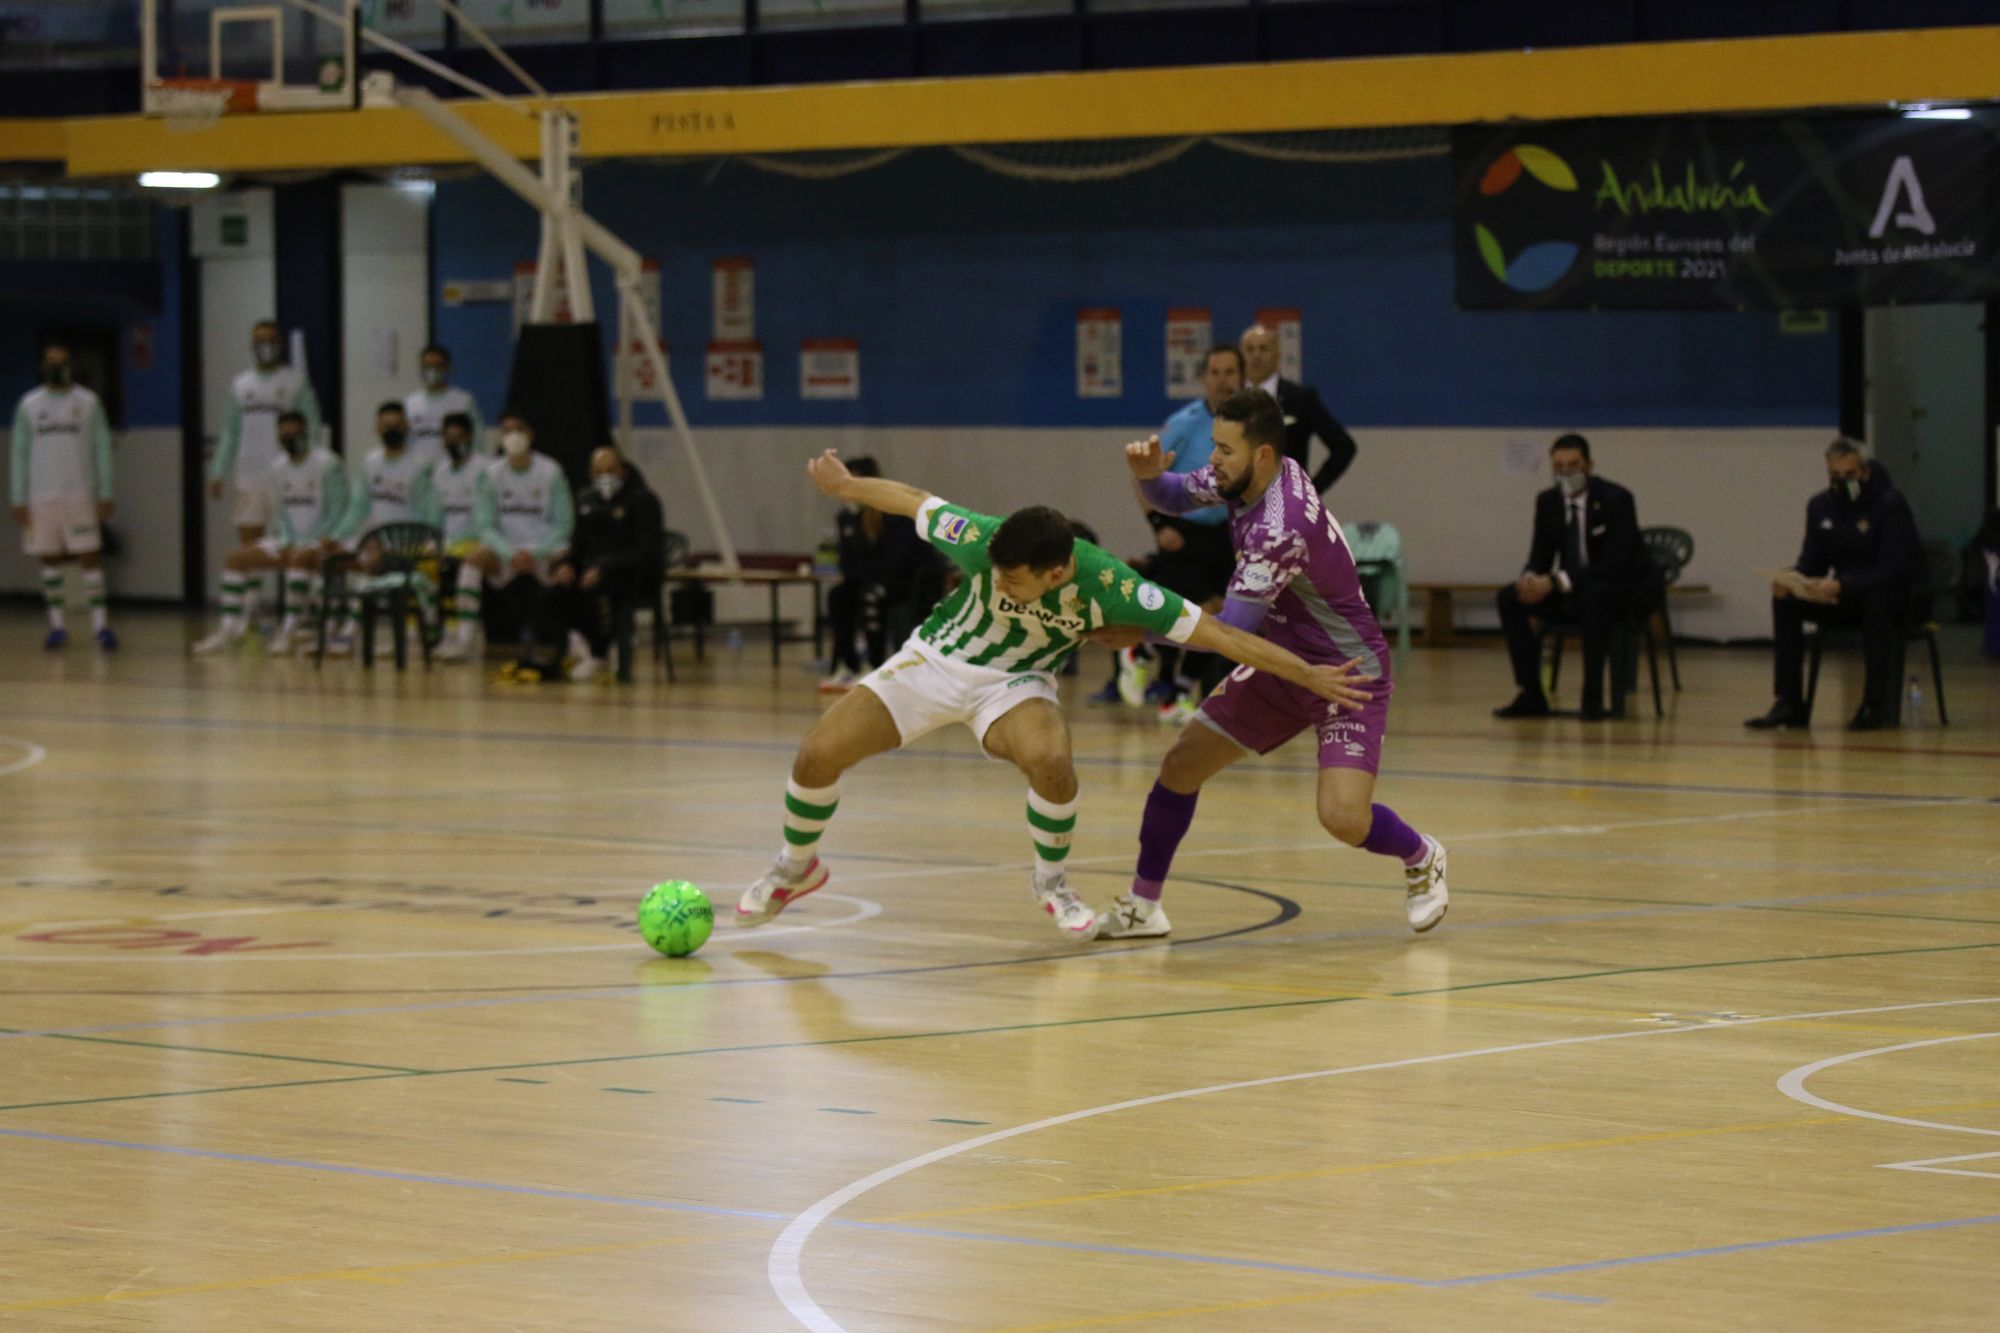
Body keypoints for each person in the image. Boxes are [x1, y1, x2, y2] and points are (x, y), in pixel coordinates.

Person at [733, 447, 1372, 941]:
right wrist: (844, 486)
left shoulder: (1112, 586)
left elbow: (1220, 634)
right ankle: (797, 866)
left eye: (1016, 581)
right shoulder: (983, 539)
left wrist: (1308, 674)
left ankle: (1054, 885)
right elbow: (913, 500)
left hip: (1015, 684)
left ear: (1059, 571)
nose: (1003, 585)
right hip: (935, 658)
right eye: (998, 576)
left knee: (1054, 762)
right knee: (816, 755)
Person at [1094, 388, 1447, 941]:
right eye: (1213, 446)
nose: (1212, 460)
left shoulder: (1278, 530)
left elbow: (1229, 634)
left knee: (1342, 819)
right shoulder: (1248, 472)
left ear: (1260, 454)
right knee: (1181, 764)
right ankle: (1144, 905)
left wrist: (1142, 630)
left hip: (1344, 673)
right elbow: (1173, 495)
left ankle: (1422, 854)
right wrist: (1144, 477)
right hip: (1281, 661)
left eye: (1223, 450)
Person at [1746, 437, 1923, 732]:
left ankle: (1873, 705)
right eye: (1834, 476)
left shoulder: (1890, 504)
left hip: (1891, 599)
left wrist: (1842, 584)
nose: (1842, 483)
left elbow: (1894, 569)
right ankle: (1788, 701)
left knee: (1878, 600)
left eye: (1850, 475)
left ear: (1865, 472)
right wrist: (1792, 579)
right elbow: (1812, 562)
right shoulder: (1820, 506)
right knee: (1786, 600)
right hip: (1843, 597)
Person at [1111, 343, 1243, 722]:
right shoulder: (1184, 423)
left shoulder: (1245, 426)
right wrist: (1159, 524)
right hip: (1183, 532)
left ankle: (1178, 695)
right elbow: (1143, 472)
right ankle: (1144, 652)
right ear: (1204, 379)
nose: (1223, 381)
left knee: (1223, 622)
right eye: (1215, 373)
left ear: (1241, 377)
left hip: (1225, 532)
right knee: (1205, 612)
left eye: (1230, 372)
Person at [1492, 433, 1657, 722]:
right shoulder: (1547, 502)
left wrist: (1555, 582)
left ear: (1589, 466)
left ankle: (1592, 698)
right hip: (1573, 589)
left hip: (1622, 591)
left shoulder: (1617, 499)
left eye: (1573, 464)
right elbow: (1539, 556)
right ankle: (1531, 693)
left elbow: (1613, 564)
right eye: (1559, 466)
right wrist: (1531, 579)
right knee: (1510, 598)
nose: (1566, 472)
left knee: (1598, 596)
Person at [192, 410, 348, 656]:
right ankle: (230, 630)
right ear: (277, 437)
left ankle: (289, 631)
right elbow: (281, 513)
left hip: (324, 540)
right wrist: (287, 541)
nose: (290, 437)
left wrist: (314, 541)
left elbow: (339, 509)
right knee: (236, 559)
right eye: (284, 433)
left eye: (295, 432)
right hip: (290, 540)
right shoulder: (276, 469)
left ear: (306, 433)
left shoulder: (327, 463)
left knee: (299, 560)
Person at [208, 320, 320, 632]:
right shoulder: (240, 385)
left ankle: (303, 610)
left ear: (280, 344)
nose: (265, 346)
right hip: (249, 474)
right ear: (251, 345)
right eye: (259, 340)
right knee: (249, 544)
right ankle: (251, 613)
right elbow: (230, 430)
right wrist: (218, 469)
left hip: (289, 476)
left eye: (271, 340)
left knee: (297, 542)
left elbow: (311, 425)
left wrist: (313, 468)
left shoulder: (295, 382)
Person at [10, 342, 116, 650]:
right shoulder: (29, 404)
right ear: (42, 366)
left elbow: (102, 448)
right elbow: (19, 454)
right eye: (49, 361)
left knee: (89, 557)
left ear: (72, 364)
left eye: (62, 361)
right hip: (41, 495)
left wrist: (105, 491)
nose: (55, 366)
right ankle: (57, 626)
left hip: (79, 493)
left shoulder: (88, 402)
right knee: (49, 558)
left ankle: (101, 626)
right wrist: (18, 497)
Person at [546, 446, 664, 683]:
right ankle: (582, 647)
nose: (605, 477)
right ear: (591, 474)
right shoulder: (586, 499)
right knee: (554, 593)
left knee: (602, 588)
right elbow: (578, 545)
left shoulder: (642, 500)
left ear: (622, 471)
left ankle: (605, 650)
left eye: (610, 470)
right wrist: (565, 564)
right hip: (592, 569)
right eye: (599, 472)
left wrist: (604, 566)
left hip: (632, 573)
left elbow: (646, 550)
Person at [468, 412, 573, 675]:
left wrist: (536, 553)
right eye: (506, 430)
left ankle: (577, 642)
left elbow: (564, 524)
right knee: (473, 561)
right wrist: (508, 553)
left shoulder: (551, 471)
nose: (513, 436)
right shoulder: (491, 475)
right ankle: (462, 638)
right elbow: (485, 525)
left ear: (531, 434)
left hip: (544, 550)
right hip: (506, 551)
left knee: (568, 565)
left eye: (519, 429)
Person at [330, 401, 436, 656]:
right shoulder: (370, 463)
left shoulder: (421, 465)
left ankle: (350, 631)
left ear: (407, 427)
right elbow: (358, 509)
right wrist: (335, 538)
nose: (392, 429)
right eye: (386, 425)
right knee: (330, 556)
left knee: (370, 561)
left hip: (412, 542)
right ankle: (332, 625)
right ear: (376, 428)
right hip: (377, 542)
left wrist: (402, 543)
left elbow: (430, 515)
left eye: (397, 425)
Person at [821, 455, 929, 692]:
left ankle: (875, 663)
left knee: (871, 596)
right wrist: (860, 573)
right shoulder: (847, 517)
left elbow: (897, 561)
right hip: (863, 579)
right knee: (838, 597)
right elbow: (846, 562)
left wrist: (868, 573)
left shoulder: (891, 514)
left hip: (897, 583)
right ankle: (845, 664)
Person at [1240, 322, 1357, 494]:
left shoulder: (1299, 399)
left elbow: (1344, 446)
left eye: (1264, 349)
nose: (1256, 356)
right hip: (1238, 507)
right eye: (1250, 350)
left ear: (1277, 354)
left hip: (1288, 503)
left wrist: (1311, 491)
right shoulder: (1230, 400)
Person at [428, 412, 488, 661]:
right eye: (448, 438)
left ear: (471, 437)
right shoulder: (440, 471)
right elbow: (435, 514)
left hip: (474, 540)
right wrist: (434, 541)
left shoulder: (484, 469)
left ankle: (463, 636)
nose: (454, 443)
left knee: (451, 566)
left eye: (459, 437)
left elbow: (486, 515)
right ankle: (435, 631)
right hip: (448, 540)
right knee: (423, 562)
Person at [403, 343, 482, 469]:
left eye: (437, 366)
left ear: (447, 367)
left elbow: (477, 438)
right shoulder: (410, 403)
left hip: (454, 471)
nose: (432, 371)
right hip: (418, 472)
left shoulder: (464, 401)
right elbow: (405, 442)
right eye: (427, 366)